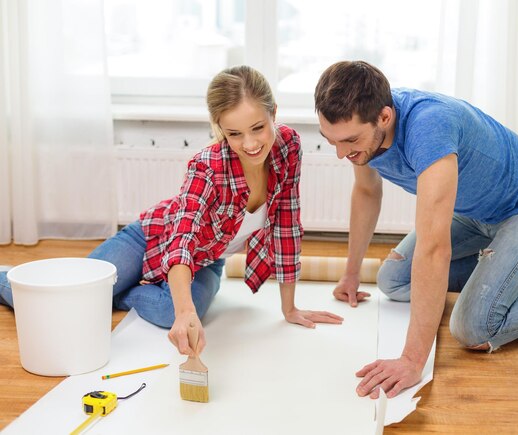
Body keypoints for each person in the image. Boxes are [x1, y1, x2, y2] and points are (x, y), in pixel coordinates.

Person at [314, 60, 518, 399]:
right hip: (476, 213)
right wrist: (351, 274)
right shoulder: (365, 136)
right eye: (331, 140)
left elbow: (434, 250)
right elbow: (367, 192)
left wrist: (412, 360)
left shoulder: (429, 127)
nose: (341, 154)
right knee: (393, 280)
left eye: (349, 140)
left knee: (474, 327)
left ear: (384, 117)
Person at [0, 65, 343, 356]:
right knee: (67, 300)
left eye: (258, 128)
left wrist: (289, 308)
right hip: (149, 238)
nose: (251, 144)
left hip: (207, 259)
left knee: (167, 311)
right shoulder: (207, 166)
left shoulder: (289, 148)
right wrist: (186, 312)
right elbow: (181, 240)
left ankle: (112, 293)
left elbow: (286, 223)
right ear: (219, 127)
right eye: (235, 134)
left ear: (274, 113)